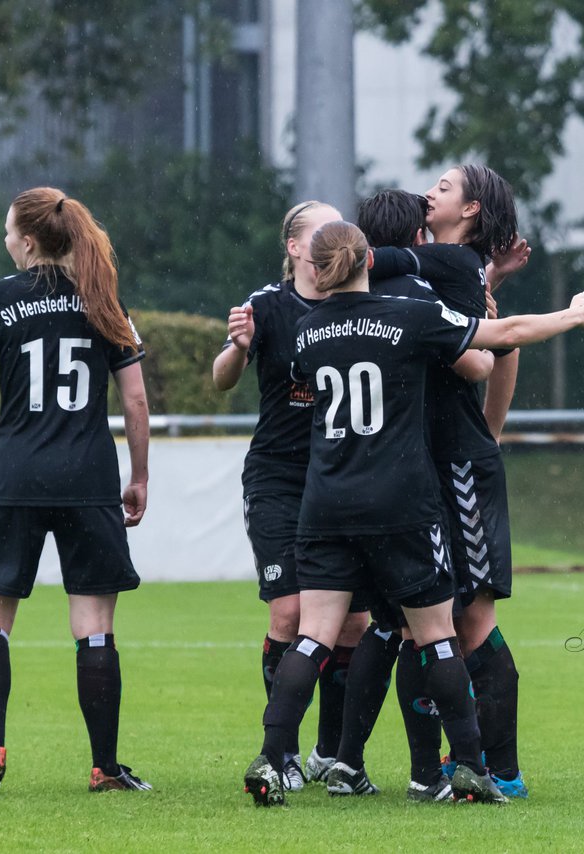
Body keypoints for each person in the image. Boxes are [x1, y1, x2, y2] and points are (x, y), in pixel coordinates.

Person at [242, 220, 584, 807]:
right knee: (435, 636)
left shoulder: (307, 332)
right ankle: (467, 767)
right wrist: (571, 316)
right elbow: (502, 332)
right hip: (401, 502)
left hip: (326, 504)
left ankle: (271, 757)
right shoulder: (407, 318)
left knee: (313, 636)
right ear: (369, 260)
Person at [0, 187, 152, 794]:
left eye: (9, 231)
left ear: (29, 241)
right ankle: (105, 768)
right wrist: (138, 476)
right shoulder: (101, 299)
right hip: (89, 479)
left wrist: (4, 443)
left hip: (17, 476)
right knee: (93, 625)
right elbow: (136, 401)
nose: (5, 240)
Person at [363, 166, 535, 798]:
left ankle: (505, 772)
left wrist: (488, 435)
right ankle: (433, 769)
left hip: (458, 464)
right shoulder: (443, 272)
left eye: (444, 185)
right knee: (422, 622)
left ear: (468, 212)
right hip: (418, 467)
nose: (430, 191)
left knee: (471, 619)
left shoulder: (446, 267)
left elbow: (497, 351)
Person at [212, 201, 371, 791]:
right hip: (279, 477)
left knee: (352, 625)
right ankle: (278, 753)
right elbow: (222, 377)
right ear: (297, 248)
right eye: (322, 231)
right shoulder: (266, 306)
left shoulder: (358, 303)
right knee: (289, 609)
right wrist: (236, 346)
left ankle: (329, 753)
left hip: (341, 477)